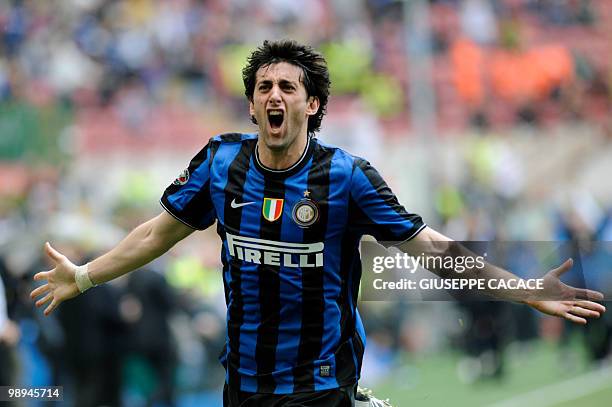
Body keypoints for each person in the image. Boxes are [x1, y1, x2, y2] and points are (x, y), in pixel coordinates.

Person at [31, 40, 606, 407]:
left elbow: (429, 248)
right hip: (246, 384)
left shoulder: (348, 177)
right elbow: (158, 233)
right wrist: (83, 276)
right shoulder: (219, 162)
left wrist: (523, 288)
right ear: (253, 106)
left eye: (288, 87)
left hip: (321, 384)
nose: (274, 95)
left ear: (312, 106)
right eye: (264, 88)